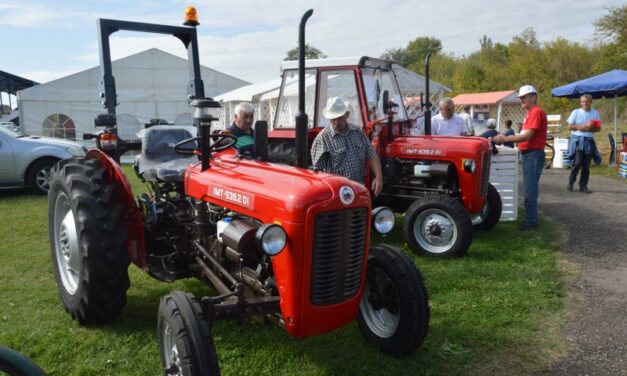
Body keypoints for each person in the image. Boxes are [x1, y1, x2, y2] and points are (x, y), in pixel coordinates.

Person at [492, 85, 547, 230]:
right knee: (529, 188)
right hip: (531, 154)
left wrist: (505, 139)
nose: (521, 100)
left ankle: (531, 222)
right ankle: (530, 219)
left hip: (533, 154)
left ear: (533, 97)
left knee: (530, 189)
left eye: (524, 97)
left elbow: (528, 135)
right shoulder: (531, 113)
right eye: (520, 98)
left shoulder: (535, 112)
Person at [311, 97, 383, 196]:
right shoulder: (322, 139)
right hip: (337, 193)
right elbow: (316, 173)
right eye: (333, 119)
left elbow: (371, 154)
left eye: (339, 118)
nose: (336, 123)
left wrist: (378, 177)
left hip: (359, 188)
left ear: (347, 115)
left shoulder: (358, 132)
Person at [566, 94, 602, 193]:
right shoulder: (576, 112)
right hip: (577, 140)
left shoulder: (595, 113)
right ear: (581, 102)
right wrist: (578, 127)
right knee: (577, 163)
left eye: (587, 101)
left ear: (591, 102)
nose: (585, 103)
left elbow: (598, 129)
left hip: (589, 140)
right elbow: (569, 126)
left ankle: (583, 186)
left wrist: (590, 128)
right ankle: (571, 182)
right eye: (583, 101)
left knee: (586, 165)